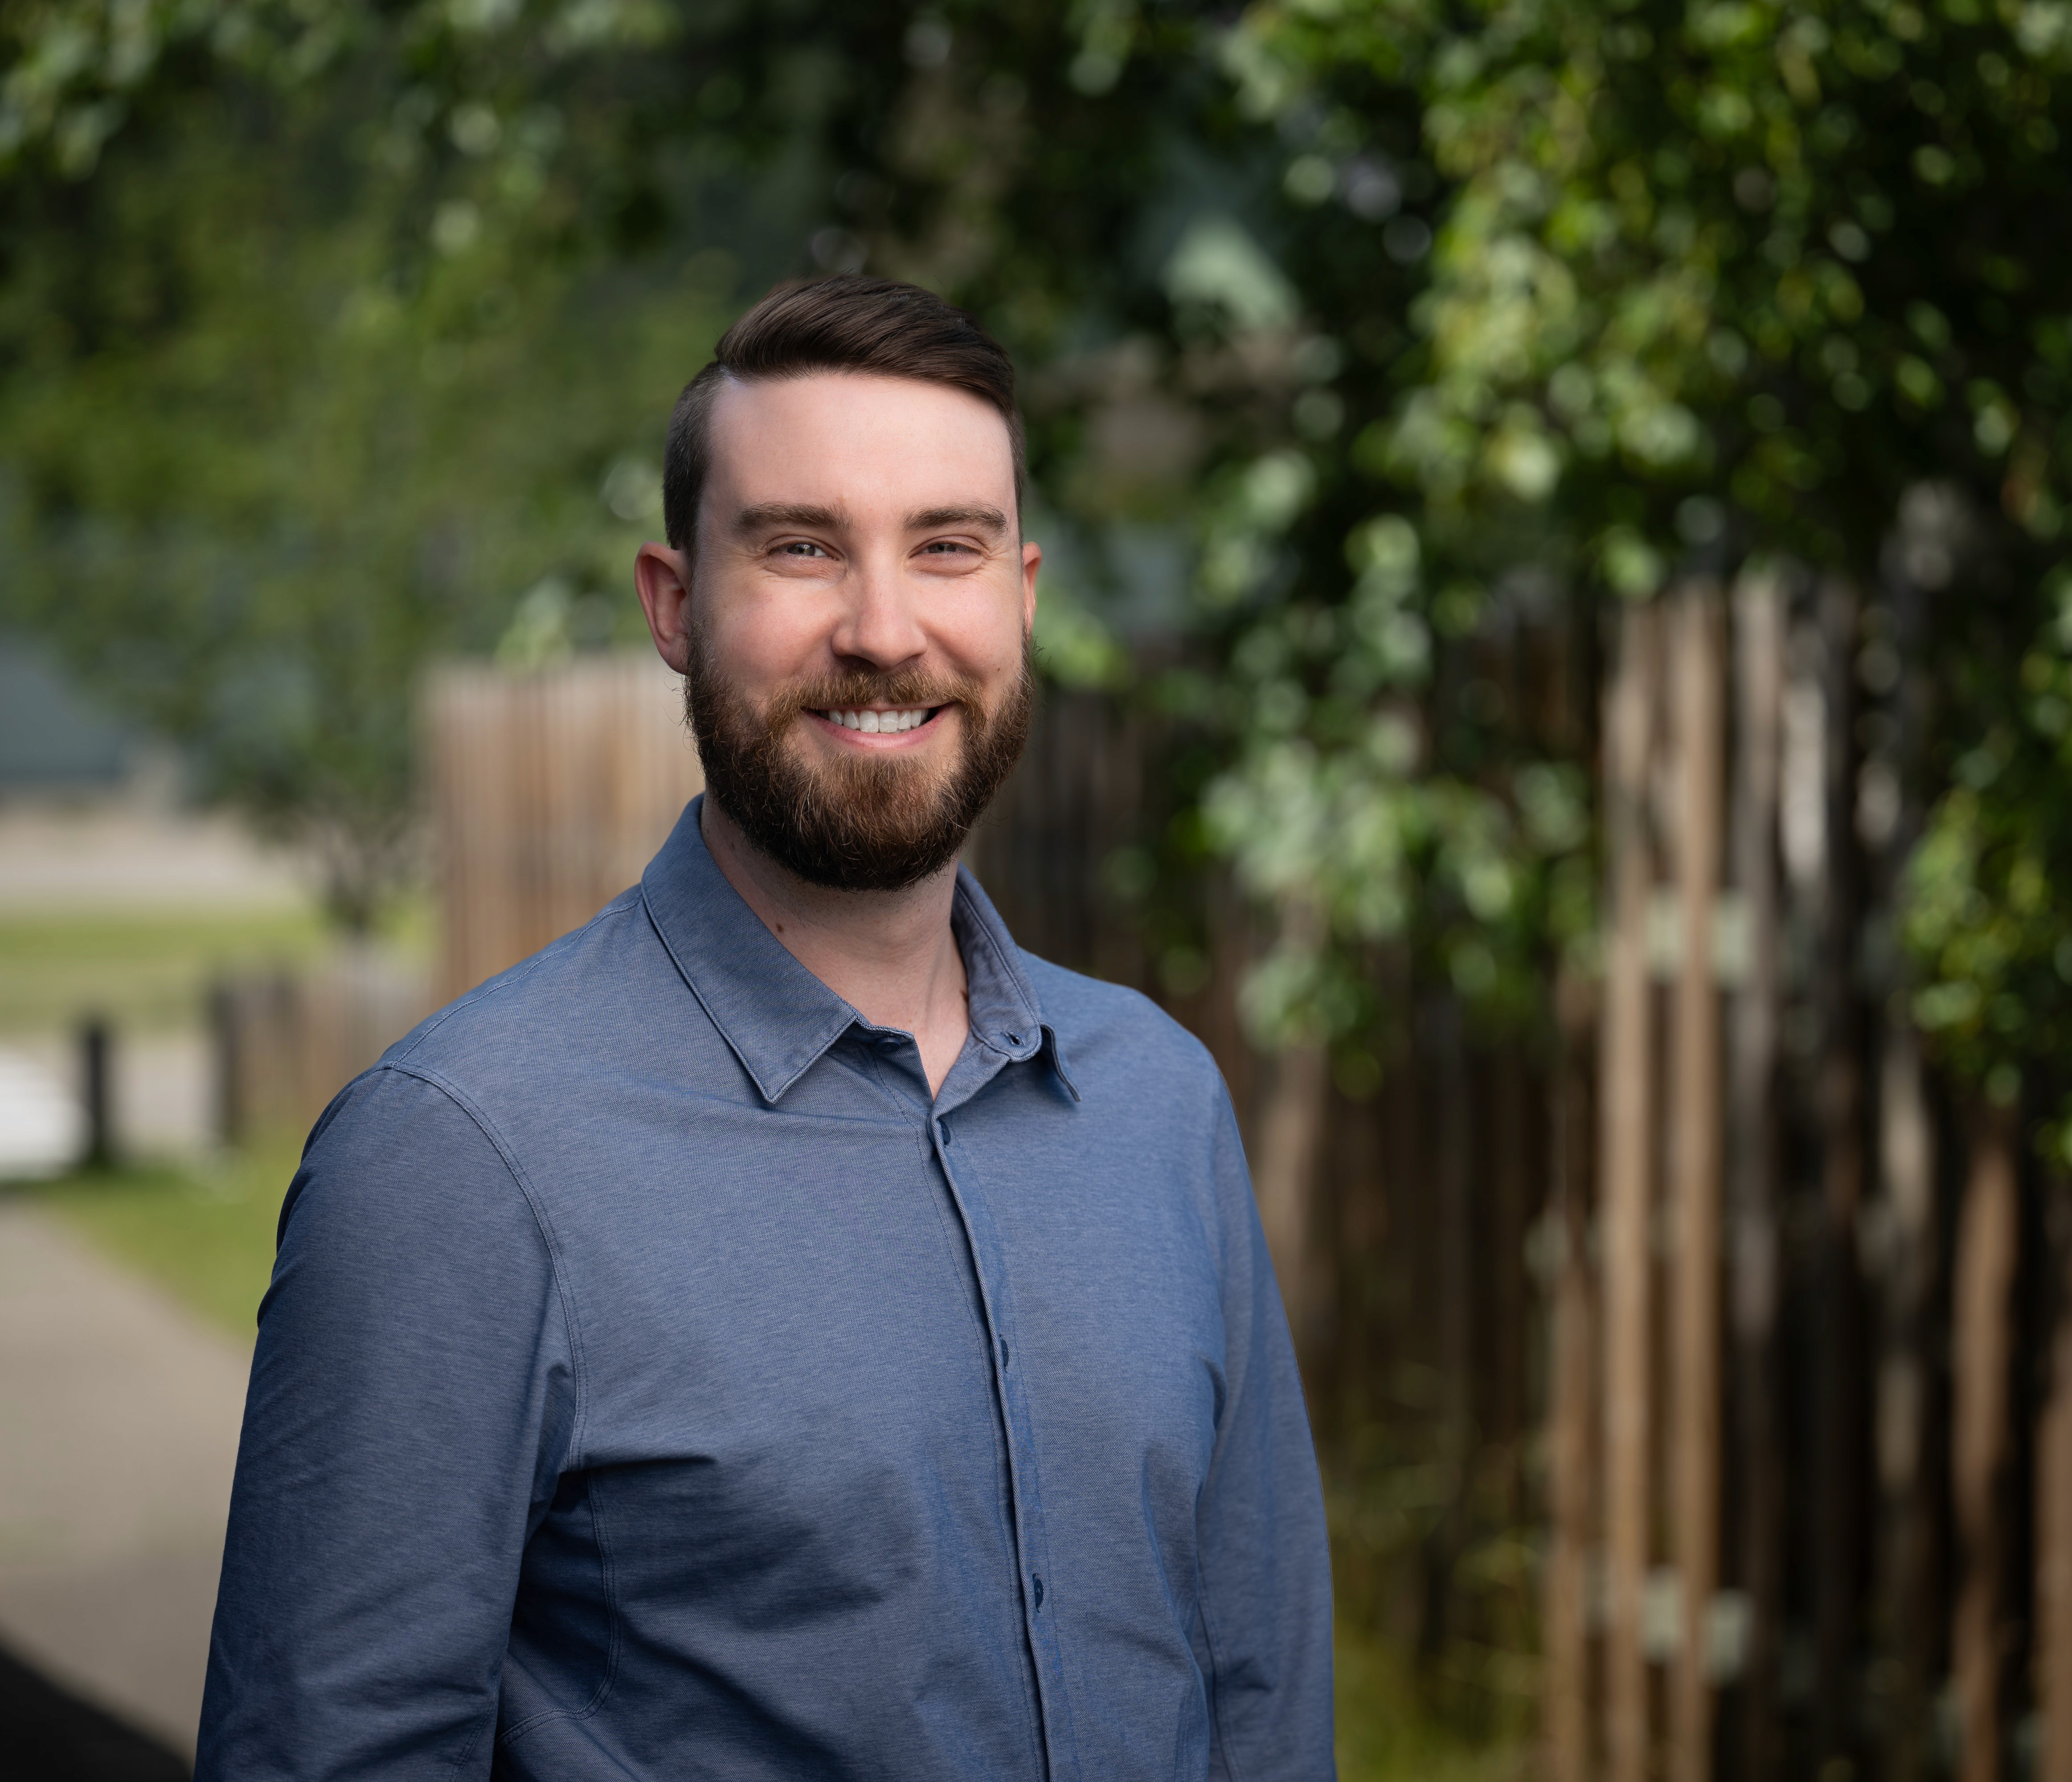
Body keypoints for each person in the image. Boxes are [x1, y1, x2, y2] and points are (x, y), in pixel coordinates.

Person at [197, 275, 1334, 1780]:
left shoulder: (1158, 1103)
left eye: (949, 548)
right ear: (676, 606)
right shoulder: (458, 1161)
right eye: (802, 547)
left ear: (1023, 598)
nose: (883, 629)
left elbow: (1261, 1702)